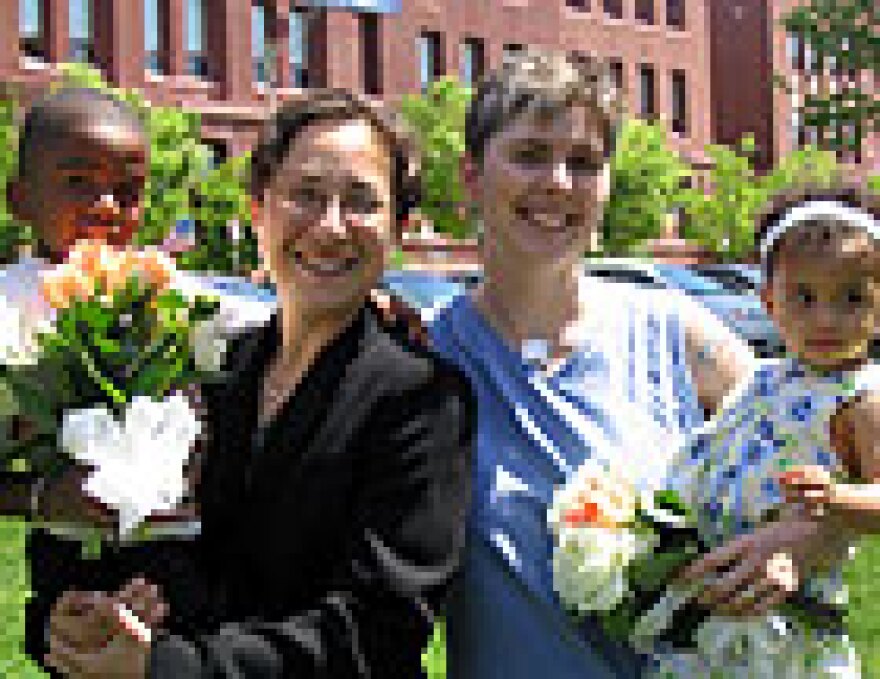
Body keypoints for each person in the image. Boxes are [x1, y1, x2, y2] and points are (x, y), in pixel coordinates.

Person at [424, 48, 854, 678]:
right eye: (529, 155)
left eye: (584, 163)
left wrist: (806, 540)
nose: (558, 183)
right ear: (470, 177)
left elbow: (836, 445)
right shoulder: (427, 357)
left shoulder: (673, 333)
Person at [41, 89, 475, 679]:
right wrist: (82, 614)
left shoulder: (421, 399)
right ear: (258, 208)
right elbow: (147, 541)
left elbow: (380, 627)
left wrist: (170, 666)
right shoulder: (203, 368)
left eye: (361, 201)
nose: (330, 226)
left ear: (398, 226)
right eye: (305, 195)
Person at [0, 87, 274, 675]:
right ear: (20, 199)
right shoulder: (9, 306)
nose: (106, 205)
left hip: (183, 561)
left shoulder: (159, 290)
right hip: (72, 558)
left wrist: (364, 306)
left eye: (127, 191)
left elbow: (260, 318)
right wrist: (47, 497)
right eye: (78, 181)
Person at [658, 185, 879, 677]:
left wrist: (835, 497)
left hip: (788, 624)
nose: (827, 319)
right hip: (711, 610)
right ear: (770, 302)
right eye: (805, 297)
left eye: (851, 299)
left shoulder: (859, 397)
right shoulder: (763, 378)